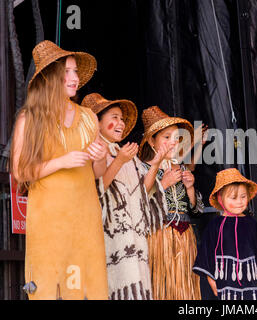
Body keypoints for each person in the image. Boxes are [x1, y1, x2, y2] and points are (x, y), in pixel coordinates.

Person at [10, 40, 109, 299]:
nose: (74, 78)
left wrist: (101, 157)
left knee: (88, 290)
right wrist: (60, 162)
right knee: (47, 290)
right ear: (51, 76)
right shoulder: (28, 118)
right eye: (67, 71)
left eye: (76, 71)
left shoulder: (88, 117)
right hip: (49, 224)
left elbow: (97, 172)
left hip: (86, 220)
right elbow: (20, 172)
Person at [81, 93, 166, 300]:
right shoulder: (91, 151)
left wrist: (155, 164)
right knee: (113, 287)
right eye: (114, 117)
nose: (120, 122)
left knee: (136, 288)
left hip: (133, 238)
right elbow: (95, 190)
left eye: (121, 118)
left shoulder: (127, 155)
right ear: (97, 123)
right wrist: (118, 160)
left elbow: (142, 193)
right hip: (109, 235)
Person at [138, 106, 204, 300]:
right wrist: (164, 184)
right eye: (166, 137)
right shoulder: (141, 168)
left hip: (185, 239)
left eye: (176, 137)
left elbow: (196, 211)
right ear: (151, 141)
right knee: (162, 287)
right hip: (159, 237)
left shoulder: (182, 167)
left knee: (185, 288)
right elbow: (139, 205)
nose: (172, 142)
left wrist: (190, 188)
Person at [193, 168, 257, 300]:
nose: (239, 201)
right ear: (220, 198)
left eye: (243, 197)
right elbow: (206, 254)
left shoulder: (252, 224)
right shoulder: (215, 225)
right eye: (233, 197)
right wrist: (211, 280)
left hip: (249, 281)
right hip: (224, 282)